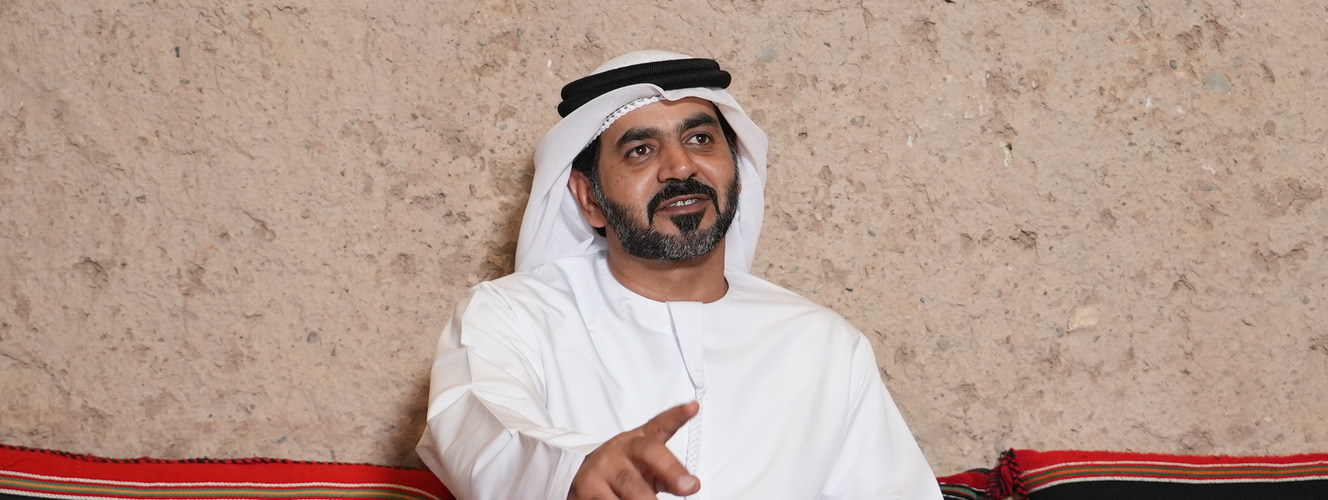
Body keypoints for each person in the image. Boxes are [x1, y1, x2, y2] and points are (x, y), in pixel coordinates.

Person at [416, 50, 942, 500]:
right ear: (589, 197)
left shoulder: (823, 345)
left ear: (737, 172)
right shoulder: (512, 316)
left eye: (700, 139)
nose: (680, 167)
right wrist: (575, 471)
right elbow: (479, 426)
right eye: (641, 150)